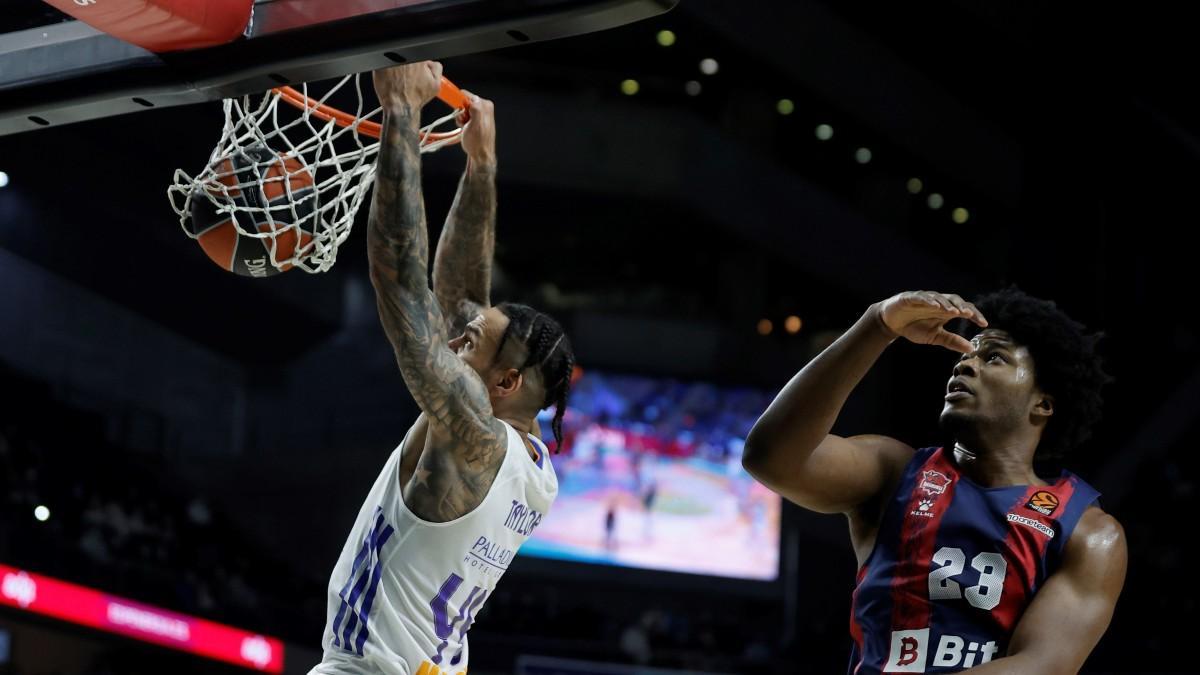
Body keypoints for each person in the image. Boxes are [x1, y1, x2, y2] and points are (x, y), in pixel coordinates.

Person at [311, 62, 575, 675]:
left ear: (503, 382)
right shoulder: (533, 466)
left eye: (468, 343)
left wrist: (401, 112)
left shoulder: (474, 435)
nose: (454, 337)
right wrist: (481, 167)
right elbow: (461, 298)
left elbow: (402, 284)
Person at [743, 289, 1125, 673]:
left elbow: (1042, 665)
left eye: (993, 357)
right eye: (965, 355)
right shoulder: (892, 472)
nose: (964, 365)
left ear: (1043, 403)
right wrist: (877, 325)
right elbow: (771, 459)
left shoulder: (1087, 532)